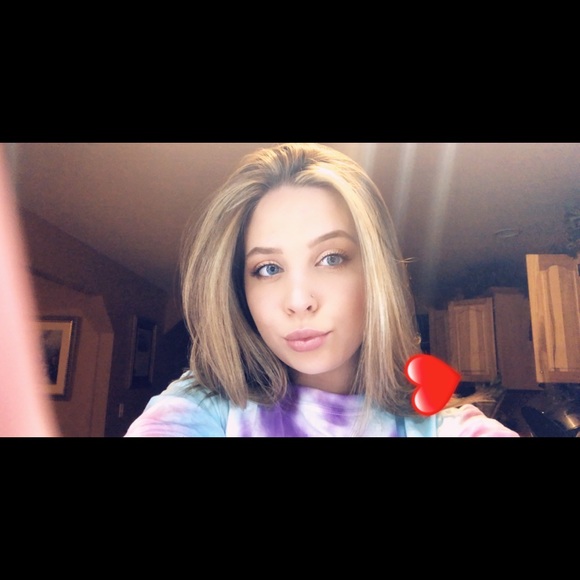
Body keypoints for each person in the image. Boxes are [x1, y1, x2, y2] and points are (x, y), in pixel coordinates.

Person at [125, 143, 518, 437]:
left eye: (331, 258)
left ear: (374, 273)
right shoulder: (208, 406)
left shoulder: (436, 426)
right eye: (268, 268)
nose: (299, 301)